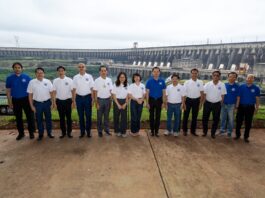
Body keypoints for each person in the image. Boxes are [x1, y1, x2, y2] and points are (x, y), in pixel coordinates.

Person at [5, 62, 35, 140]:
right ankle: (21, 133)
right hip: (15, 100)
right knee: (18, 118)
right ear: (13, 69)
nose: (17, 69)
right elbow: (8, 91)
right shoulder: (9, 78)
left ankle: (31, 133)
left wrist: (32, 101)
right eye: (15, 67)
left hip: (26, 99)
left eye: (19, 67)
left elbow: (31, 90)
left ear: (22, 69)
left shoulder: (27, 77)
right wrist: (9, 102)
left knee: (30, 117)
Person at [27, 67, 54, 141]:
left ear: (44, 73)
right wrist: (32, 106)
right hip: (37, 104)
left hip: (47, 103)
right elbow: (30, 95)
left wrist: (53, 103)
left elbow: (51, 93)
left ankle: (49, 132)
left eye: (41, 72)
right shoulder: (32, 82)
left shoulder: (48, 81)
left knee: (48, 118)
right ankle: (41, 134)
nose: (40, 74)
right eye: (38, 73)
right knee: (39, 119)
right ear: (35, 74)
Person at [235, 74, 260, 143]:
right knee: (238, 121)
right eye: (248, 78)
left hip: (250, 107)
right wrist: (237, 107)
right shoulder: (241, 87)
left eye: (251, 78)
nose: (249, 79)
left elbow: (257, 99)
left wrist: (257, 108)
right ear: (246, 79)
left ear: (253, 79)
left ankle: (246, 137)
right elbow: (238, 97)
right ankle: (237, 135)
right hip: (241, 106)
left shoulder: (256, 88)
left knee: (248, 123)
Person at [202, 70, 227, 139]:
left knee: (216, 119)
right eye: (214, 75)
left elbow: (223, 95)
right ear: (212, 76)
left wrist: (221, 104)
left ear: (219, 77)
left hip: (217, 104)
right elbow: (204, 94)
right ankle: (205, 132)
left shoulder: (222, 85)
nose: (216, 76)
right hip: (207, 103)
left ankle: (213, 133)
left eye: (217, 75)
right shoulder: (207, 84)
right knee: (205, 119)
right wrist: (203, 103)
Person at [72, 63, 94, 138]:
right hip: (79, 98)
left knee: (88, 116)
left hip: (88, 98)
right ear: (78, 68)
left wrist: (93, 99)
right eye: (80, 67)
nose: (81, 68)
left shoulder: (89, 76)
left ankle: (88, 131)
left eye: (83, 67)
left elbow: (92, 88)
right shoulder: (75, 77)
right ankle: (82, 132)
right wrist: (74, 100)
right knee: (80, 116)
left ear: (85, 68)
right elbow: (74, 89)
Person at [53, 66, 74, 138]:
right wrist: (54, 102)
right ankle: (63, 133)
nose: (61, 72)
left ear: (65, 72)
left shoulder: (69, 80)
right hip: (59, 101)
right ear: (57, 72)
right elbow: (54, 92)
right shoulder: (55, 80)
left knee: (69, 118)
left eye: (62, 71)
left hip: (68, 101)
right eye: (59, 71)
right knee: (61, 118)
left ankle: (69, 132)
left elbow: (73, 91)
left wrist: (73, 102)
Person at [182, 68, 204, 136]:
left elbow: (202, 93)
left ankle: (193, 131)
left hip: (196, 101)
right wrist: (183, 103)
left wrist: (201, 103)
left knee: (194, 117)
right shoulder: (187, 82)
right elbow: (184, 93)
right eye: (193, 73)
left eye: (195, 73)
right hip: (188, 100)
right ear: (191, 74)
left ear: (197, 74)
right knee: (186, 116)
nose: (194, 74)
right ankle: (184, 130)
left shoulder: (200, 82)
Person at [146, 66, 166, 137]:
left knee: (158, 116)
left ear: (159, 73)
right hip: (151, 100)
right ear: (152, 72)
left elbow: (164, 93)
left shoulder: (162, 81)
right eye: (154, 71)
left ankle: (156, 131)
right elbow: (147, 92)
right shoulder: (149, 81)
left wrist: (164, 102)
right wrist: (147, 102)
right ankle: (152, 131)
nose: (156, 73)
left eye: (157, 71)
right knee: (151, 116)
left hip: (159, 100)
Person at [94, 65, 113, 137]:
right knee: (99, 117)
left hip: (108, 100)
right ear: (99, 72)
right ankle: (99, 131)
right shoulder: (97, 80)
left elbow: (111, 91)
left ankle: (107, 130)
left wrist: (111, 101)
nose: (103, 72)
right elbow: (95, 92)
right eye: (102, 71)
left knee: (106, 116)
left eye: (105, 70)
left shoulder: (109, 80)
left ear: (107, 72)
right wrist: (96, 103)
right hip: (100, 100)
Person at [219, 72, 239, 137]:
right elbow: (221, 94)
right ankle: (222, 130)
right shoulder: (224, 85)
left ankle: (229, 131)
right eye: (230, 76)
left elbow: (238, 97)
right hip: (223, 104)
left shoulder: (237, 86)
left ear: (236, 78)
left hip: (232, 105)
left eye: (233, 77)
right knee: (222, 118)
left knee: (231, 119)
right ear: (228, 77)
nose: (232, 78)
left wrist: (236, 106)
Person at [112, 72, 129, 137]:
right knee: (116, 117)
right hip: (117, 101)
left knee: (124, 118)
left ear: (125, 78)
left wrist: (125, 103)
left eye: (123, 77)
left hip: (124, 101)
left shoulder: (127, 84)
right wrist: (118, 104)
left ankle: (123, 131)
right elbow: (114, 95)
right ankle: (117, 131)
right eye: (121, 77)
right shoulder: (115, 84)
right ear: (118, 78)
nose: (122, 78)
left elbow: (128, 95)